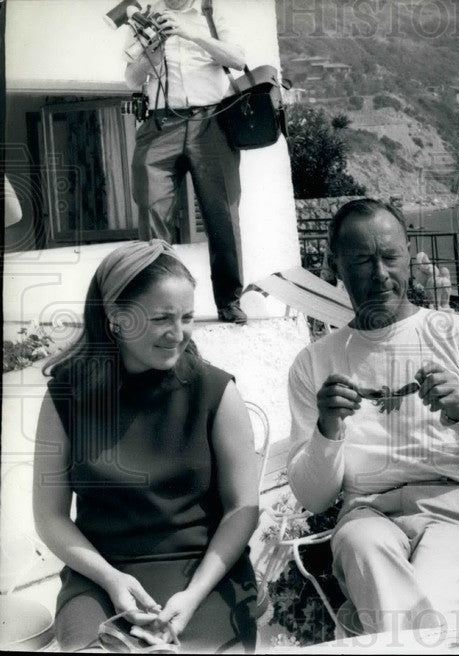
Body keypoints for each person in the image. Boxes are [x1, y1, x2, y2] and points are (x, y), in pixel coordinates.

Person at [285, 199, 459, 636]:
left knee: (412, 621)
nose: (381, 274)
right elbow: (314, 498)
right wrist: (327, 431)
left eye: (390, 257)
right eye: (364, 261)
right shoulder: (314, 363)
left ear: (409, 254)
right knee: (367, 551)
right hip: (367, 518)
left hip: (458, 513)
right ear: (335, 266)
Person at [33, 240, 259, 652]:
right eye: (161, 319)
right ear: (116, 318)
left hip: (204, 575)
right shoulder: (65, 396)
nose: (178, 334)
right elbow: (50, 518)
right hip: (101, 577)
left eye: (187, 317)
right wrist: (110, 578)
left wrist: (192, 596)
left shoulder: (216, 392)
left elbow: (242, 511)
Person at [125, 0, 248, 324]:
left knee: (222, 212)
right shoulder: (145, 14)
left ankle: (229, 301)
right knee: (151, 211)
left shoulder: (210, 10)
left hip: (212, 121)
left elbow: (237, 59)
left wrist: (189, 33)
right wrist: (151, 52)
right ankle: (159, 303)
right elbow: (130, 79)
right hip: (159, 123)